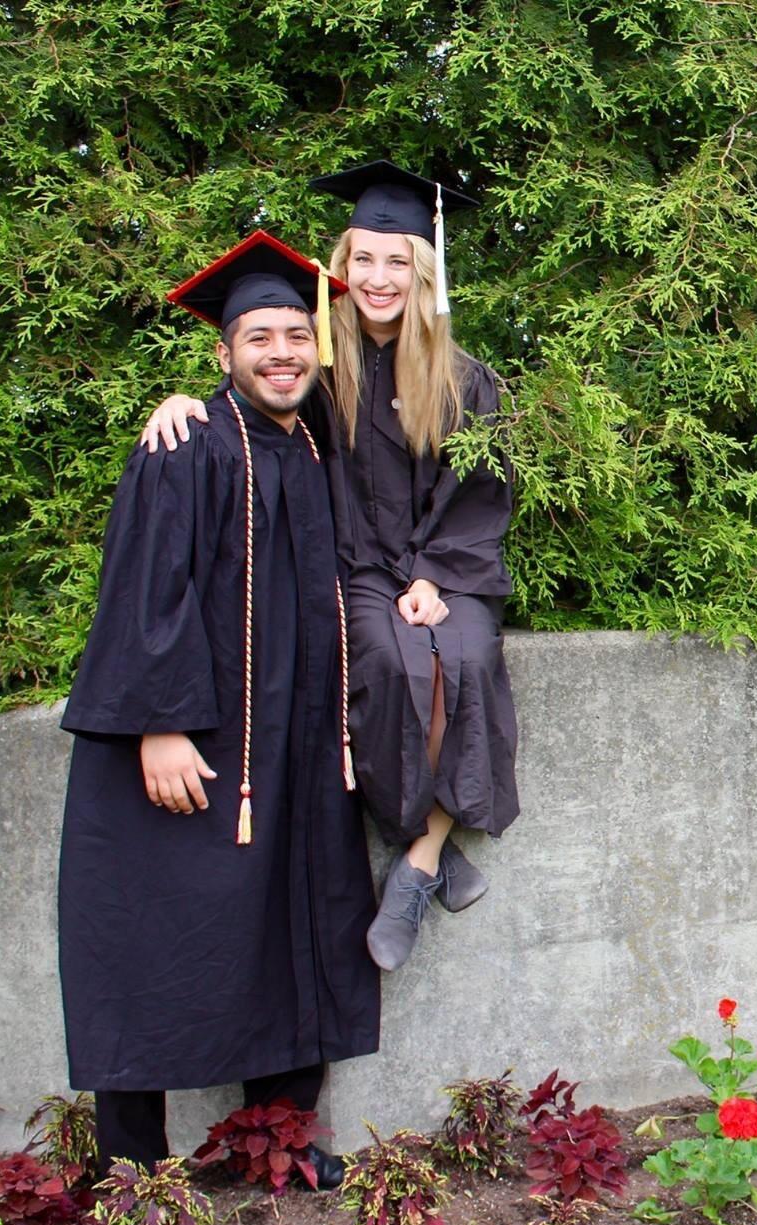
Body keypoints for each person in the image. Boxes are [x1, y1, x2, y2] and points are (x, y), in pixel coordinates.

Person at [141, 161, 520, 974]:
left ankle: (416, 870)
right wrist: (188, 406)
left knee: (467, 657)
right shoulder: (323, 362)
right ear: (342, 266)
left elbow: (485, 495)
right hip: (355, 567)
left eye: (397, 261)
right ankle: (438, 853)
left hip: (448, 572)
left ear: (423, 270)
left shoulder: (464, 379)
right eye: (364, 259)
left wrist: (436, 579)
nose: (378, 278)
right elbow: (254, 401)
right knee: (385, 660)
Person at [60, 232, 378, 1183]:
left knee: (297, 920)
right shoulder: (187, 447)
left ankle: (275, 1145)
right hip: (200, 742)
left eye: (296, 334)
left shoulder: (323, 444)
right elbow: (146, 589)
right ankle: (133, 1170)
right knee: (157, 927)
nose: (282, 351)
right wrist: (154, 724)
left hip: (301, 738)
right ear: (223, 353)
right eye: (260, 338)